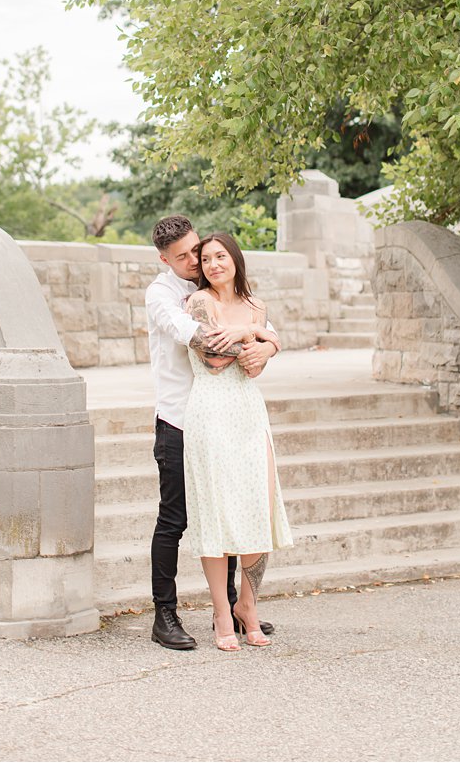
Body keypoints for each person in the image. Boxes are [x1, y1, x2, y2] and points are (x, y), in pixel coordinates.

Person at [144, 215, 280, 652]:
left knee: (234, 508)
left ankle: (238, 606)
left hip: (231, 417)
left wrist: (269, 341)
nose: (192, 261)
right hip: (181, 419)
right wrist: (252, 334)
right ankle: (165, 615)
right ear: (165, 259)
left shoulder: (225, 286)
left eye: (195, 250)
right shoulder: (162, 294)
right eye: (181, 256)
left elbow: (266, 325)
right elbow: (202, 341)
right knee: (175, 519)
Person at [182, 231, 293, 651]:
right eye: (206, 259)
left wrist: (263, 342)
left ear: (235, 259)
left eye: (220, 256)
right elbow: (212, 360)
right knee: (215, 512)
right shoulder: (199, 303)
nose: (213, 265)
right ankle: (220, 612)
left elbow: (251, 367)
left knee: (258, 507)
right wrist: (262, 337)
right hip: (210, 411)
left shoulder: (256, 306)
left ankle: (248, 603)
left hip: (248, 411)